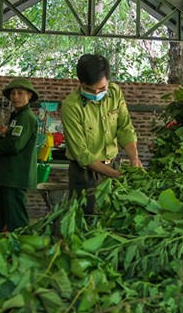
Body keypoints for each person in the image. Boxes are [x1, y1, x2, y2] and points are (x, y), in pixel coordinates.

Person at [60, 54, 142, 212]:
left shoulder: (114, 92)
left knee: (111, 215)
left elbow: (125, 127)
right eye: (90, 89)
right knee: (86, 217)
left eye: (102, 88)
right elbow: (82, 154)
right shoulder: (71, 106)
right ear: (80, 83)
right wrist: (116, 175)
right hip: (84, 173)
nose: (97, 93)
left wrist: (134, 160)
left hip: (111, 164)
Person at [0, 78, 40, 232]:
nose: (15, 96)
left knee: (16, 218)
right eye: (13, 93)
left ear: (29, 96)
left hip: (16, 176)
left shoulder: (26, 117)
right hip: (8, 176)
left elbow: (15, 146)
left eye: (20, 93)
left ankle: (21, 247)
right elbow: (14, 140)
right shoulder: (17, 116)